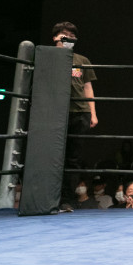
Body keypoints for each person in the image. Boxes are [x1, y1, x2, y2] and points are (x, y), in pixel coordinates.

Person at [52, 22, 98, 168]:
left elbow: (88, 87)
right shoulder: (48, 57)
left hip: (80, 112)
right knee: (54, 152)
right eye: (65, 35)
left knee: (74, 156)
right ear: (55, 37)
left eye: (72, 36)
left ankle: (70, 184)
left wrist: (93, 113)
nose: (69, 38)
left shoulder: (82, 60)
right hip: (56, 111)